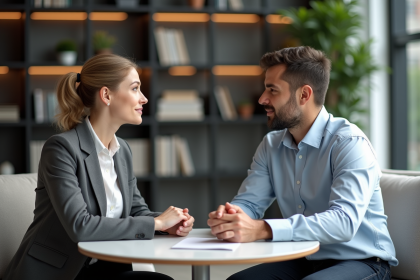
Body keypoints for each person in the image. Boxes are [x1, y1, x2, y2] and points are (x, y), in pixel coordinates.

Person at [207, 46, 397, 280]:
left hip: (363, 262)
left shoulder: (349, 142)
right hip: (305, 258)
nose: (262, 99)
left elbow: (344, 222)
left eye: (272, 90)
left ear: (304, 95)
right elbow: (250, 202)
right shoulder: (271, 145)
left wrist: (262, 229)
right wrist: (233, 216)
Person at [3, 54, 194, 280]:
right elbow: (80, 226)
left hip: (107, 268)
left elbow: (136, 212)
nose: (143, 99)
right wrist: (157, 222)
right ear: (106, 95)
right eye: (135, 89)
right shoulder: (61, 149)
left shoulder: (122, 150)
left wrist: (168, 224)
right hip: (58, 274)